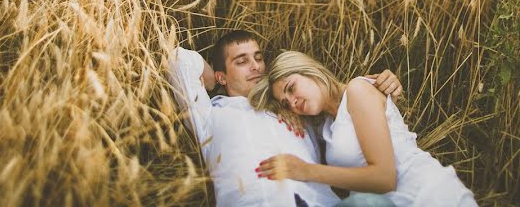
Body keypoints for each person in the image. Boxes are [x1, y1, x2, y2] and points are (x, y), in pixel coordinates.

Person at [167, 30, 403, 206]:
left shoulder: (295, 108)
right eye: (241, 61)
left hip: (320, 203)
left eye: (258, 58)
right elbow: (177, 60)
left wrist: (383, 84)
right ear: (222, 76)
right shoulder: (210, 113)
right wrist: (214, 79)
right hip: (258, 202)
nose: (255, 66)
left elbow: (346, 115)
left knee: (373, 203)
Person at [249, 51, 478, 207]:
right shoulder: (326, 126)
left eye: (291, 88)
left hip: (429, 197)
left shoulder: (358, 90)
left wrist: (306, 171)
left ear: (309, 71)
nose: (293, 101)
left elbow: (384, 178)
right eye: (286, 103)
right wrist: (285, 113)